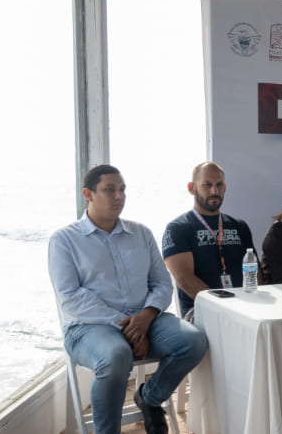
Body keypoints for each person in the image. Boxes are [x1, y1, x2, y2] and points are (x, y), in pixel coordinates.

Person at [49, 165, 208, 434]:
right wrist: (129, 327)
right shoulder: (65, 240)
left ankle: (150, 397)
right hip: (88, 328)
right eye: (109, 190)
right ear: (88, 194)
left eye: (122, 189)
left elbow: (161, 282)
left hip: (147, 319)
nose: (118, 196)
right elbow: (71, 297)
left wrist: (145, 318)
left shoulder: (142, 233)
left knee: (194, 341)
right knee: (116, 355)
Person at [162, 162, 256, 319]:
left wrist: (254, 302)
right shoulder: (178, 228)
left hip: (245, 307)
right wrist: (223, 306)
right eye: (207, 185)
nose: (214, 191)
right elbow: (184, 279)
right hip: (201, 310)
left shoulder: (239, 226)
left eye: (219, 185)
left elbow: (254, 270)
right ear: (192, 188)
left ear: (224, 188)